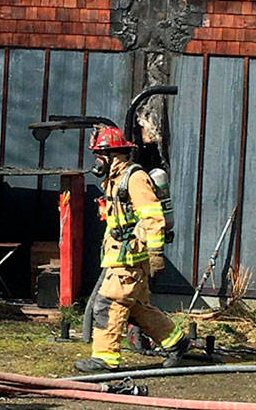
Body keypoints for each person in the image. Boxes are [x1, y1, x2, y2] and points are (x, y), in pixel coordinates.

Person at [75, 124, 190, 374]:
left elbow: (153, 217)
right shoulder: (114, 180)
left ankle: (106, 358)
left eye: (99, 155)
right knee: (137, 309)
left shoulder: (135, 179)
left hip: (129, 259)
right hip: (118, 257)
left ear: (113, 155)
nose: (97, 160)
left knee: (107, 305)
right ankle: (177, 342)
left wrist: (156, 255)